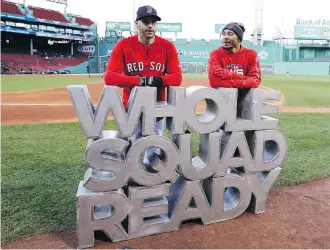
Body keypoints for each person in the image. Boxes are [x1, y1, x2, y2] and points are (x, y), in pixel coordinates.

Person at [104, 5, 182, 167]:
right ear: (136, 24)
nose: (150, 25)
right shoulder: (123, 45)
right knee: (124, 149)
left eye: (153, 22)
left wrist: (158, 80)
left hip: (157, 109)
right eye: (146, 21)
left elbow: (177, 78)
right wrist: (141, 81)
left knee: (152, 153)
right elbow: (110, 77)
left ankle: (150, 185)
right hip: (130, 109)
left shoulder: (167, 47)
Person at [208, 22, 261, 88]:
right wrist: (246, 81)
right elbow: (214, 82)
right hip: (221, 97)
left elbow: (255, 81)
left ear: (239, 38)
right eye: (224, 34)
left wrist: (230, 75)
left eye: (230, 34)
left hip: (244, 97)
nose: (225, 37)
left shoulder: (251, 54)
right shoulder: (215, 54)